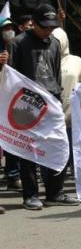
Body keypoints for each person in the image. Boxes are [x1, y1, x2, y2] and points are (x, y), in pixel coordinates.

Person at [10, 4, 79, 210]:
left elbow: (56, 73)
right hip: (28, 104)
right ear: (34, 23)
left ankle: (54, 192)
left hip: (52, 102)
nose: (48, 30)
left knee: (58, 147)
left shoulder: (55, 43)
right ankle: (30, 195)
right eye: (43, 26)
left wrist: (56, 97)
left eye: (51, 27)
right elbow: (12, 77)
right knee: (29, 151)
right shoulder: (18, 43)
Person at [52, 27, 81, 171]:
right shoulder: (44, 59)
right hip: (52, 114)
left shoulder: (77, 62)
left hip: (73, 115)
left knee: (74, 147)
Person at [0, 17, 22, 191]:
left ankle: (13, 175)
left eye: (10, 27)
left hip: (12, 101)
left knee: (13, 140)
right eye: (5, 27)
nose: (9, 30)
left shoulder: (18, 45)